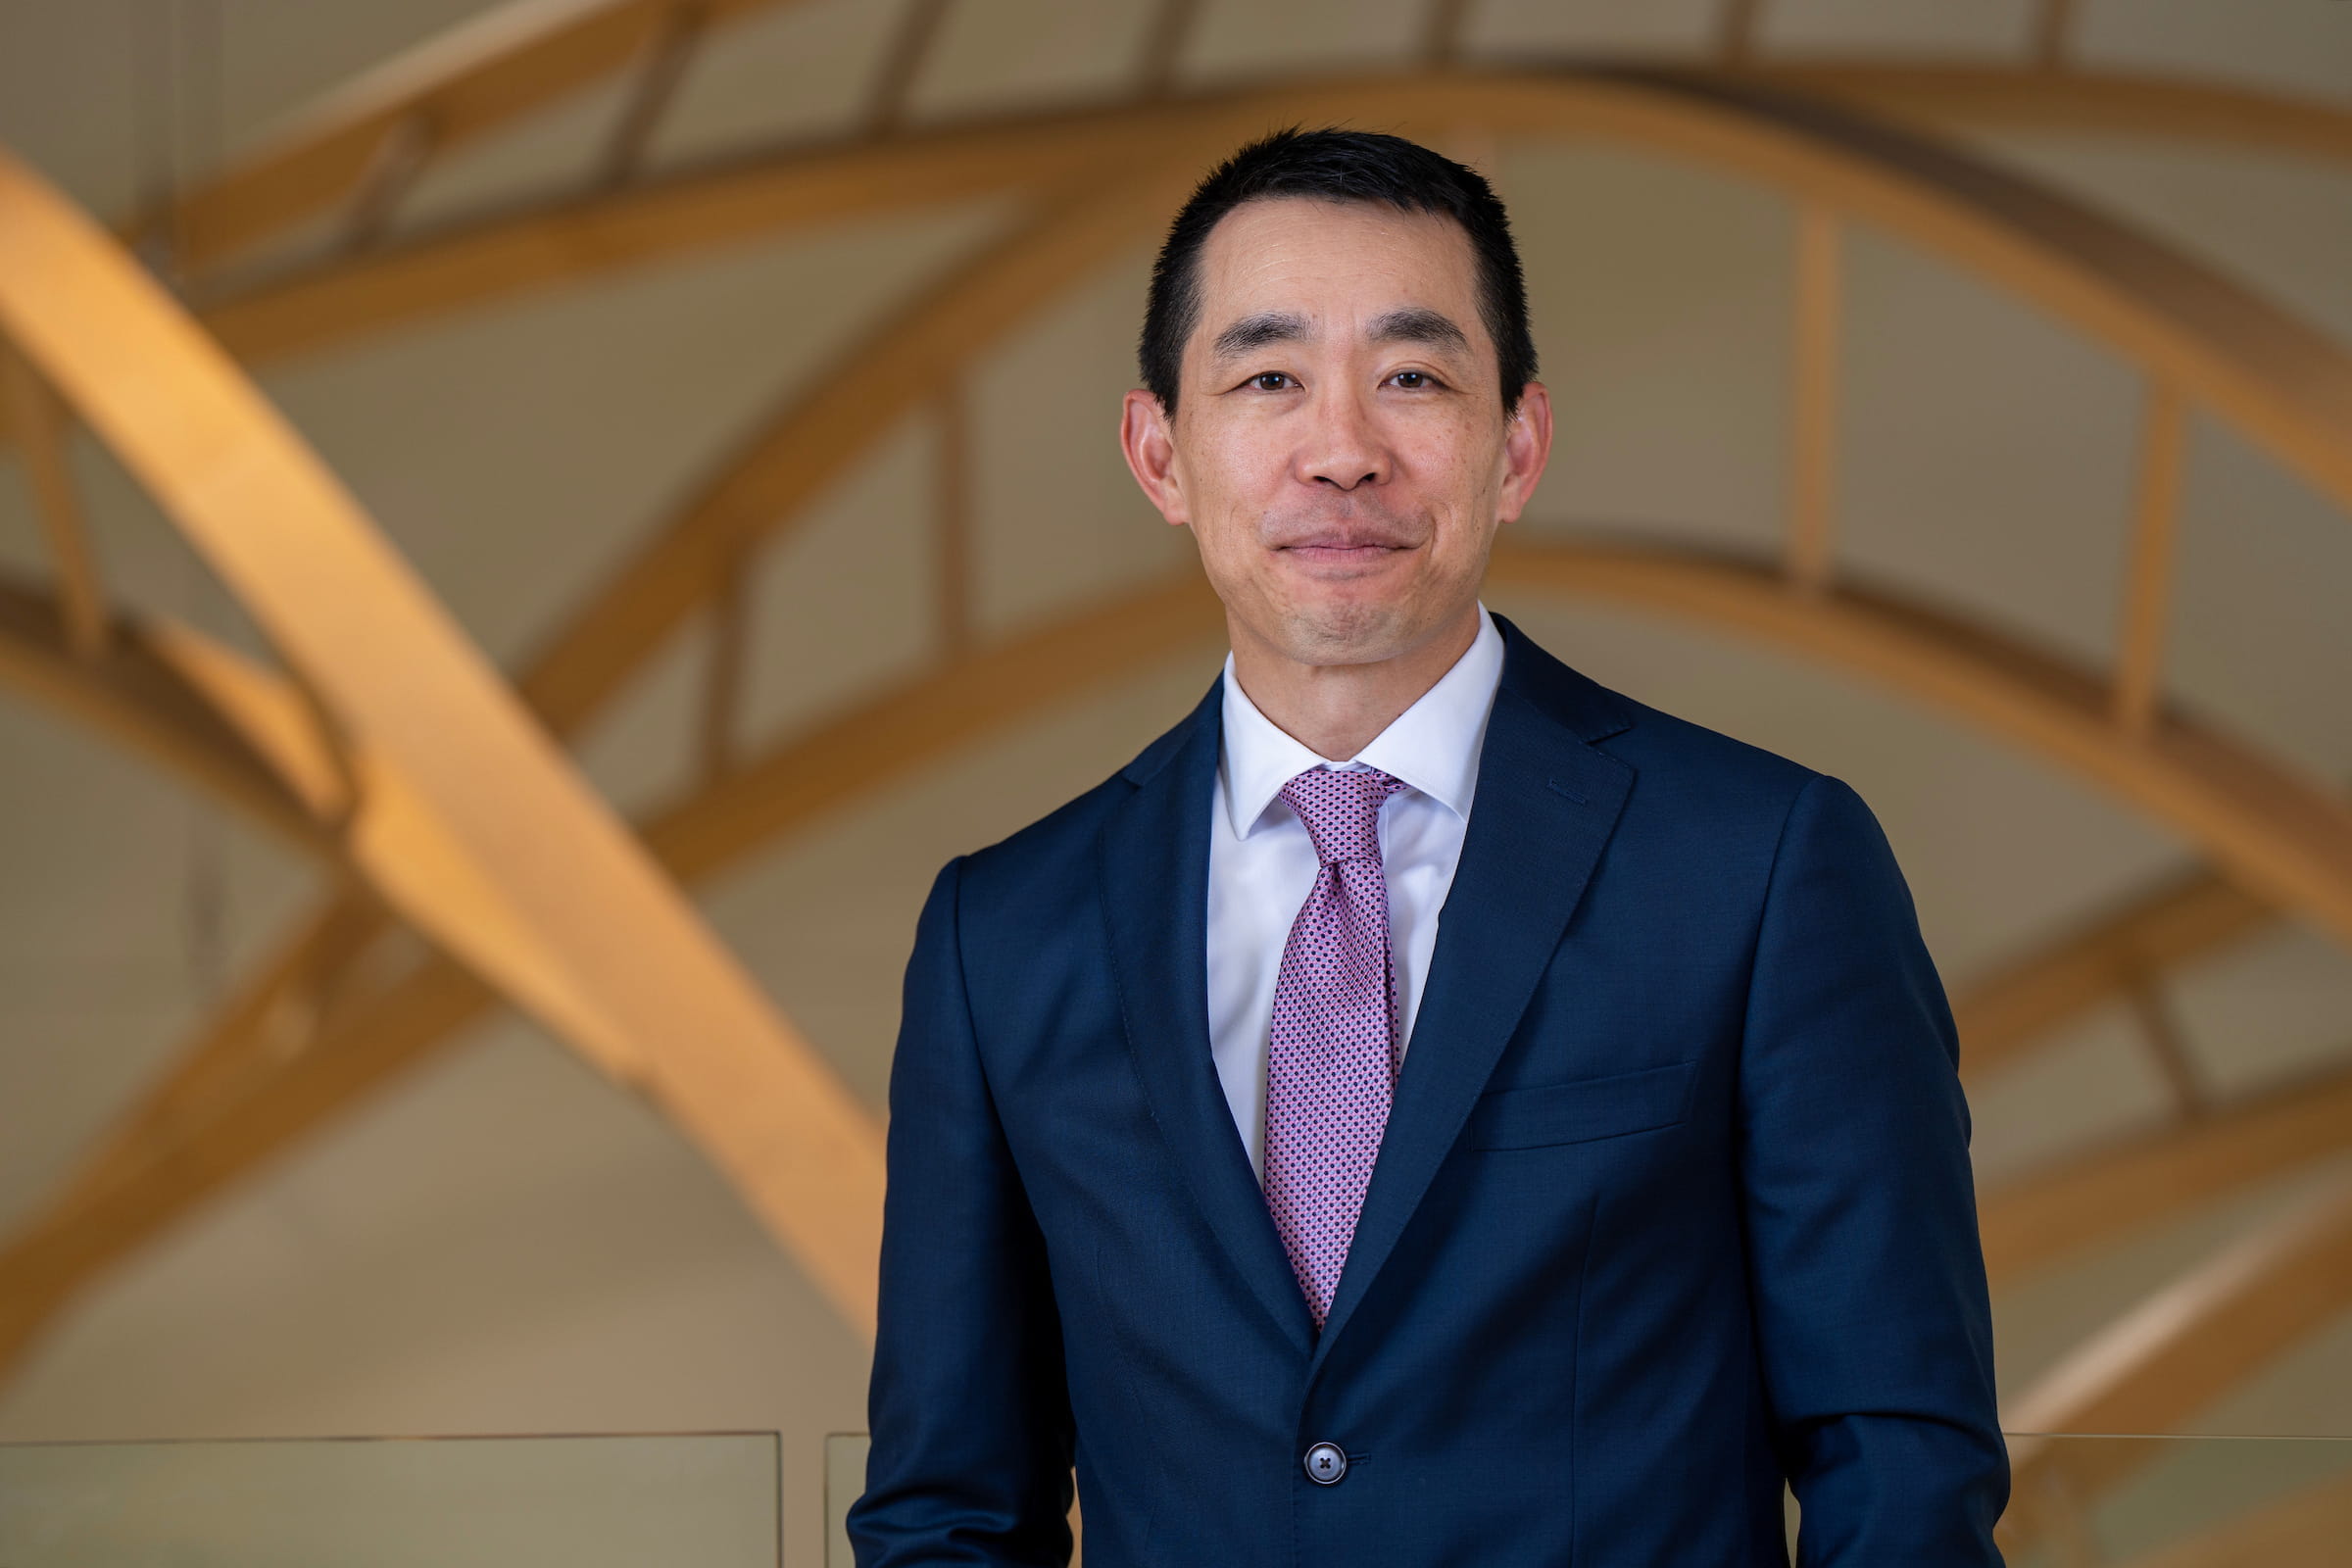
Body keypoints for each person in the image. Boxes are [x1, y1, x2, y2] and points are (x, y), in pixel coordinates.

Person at [848, 126, 2006, 1566]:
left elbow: (1896, 1461)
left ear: (1516, 445)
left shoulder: (1761, 867)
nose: (1342, 452)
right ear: (1161, 453)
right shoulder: (1004, 934)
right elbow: (950, 1510)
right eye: (1268, 379)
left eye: (1414, 378)